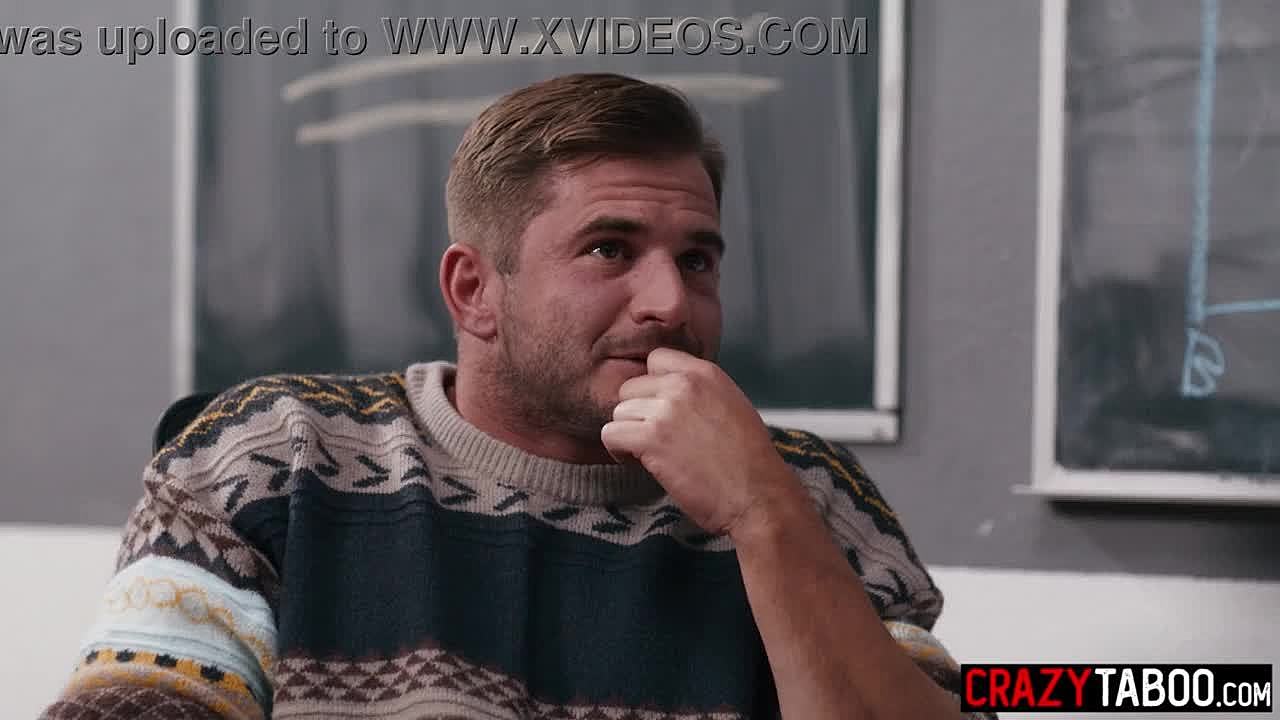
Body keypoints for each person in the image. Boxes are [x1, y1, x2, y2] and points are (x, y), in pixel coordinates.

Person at [43, 73, 991, 720]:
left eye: (697, 259)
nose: (669, 302)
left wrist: (762, 514)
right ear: (474, 292)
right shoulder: (271, 456)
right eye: (609, 249)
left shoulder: (809, 495)